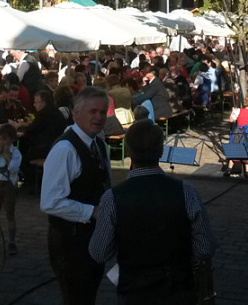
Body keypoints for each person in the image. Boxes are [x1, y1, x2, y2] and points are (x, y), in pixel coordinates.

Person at [89, 120, 216, 305]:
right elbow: (205, 248)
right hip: (178, 289)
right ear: (161, 151)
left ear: (129, 151)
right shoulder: (187, 192)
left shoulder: (112, 198)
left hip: (134, 290)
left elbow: (98, 252)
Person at [40, 86, 111, 305]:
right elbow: (50, 202)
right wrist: (93, 211)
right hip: (69, 241)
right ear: (75, 113)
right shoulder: (65, 149)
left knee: (88, 293)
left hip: (92, 237)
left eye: (102, 112)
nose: (98, 117)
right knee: (76, 296)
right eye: (92, 111)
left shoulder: (99, 143)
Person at [0, 123, 23, 254]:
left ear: (11, 139)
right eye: (0, 139)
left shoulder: (16, 153)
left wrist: (7, 155)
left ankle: (12, 241)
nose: (2, 142)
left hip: (9, 185)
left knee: (9, 214)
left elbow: (13, 168)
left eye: (5, 139)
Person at [19, 88, 67, 162]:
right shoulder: (56, 112)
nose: (34, 105)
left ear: (43, 103)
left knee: (21, 155)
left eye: (35, 102)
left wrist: (18, 127)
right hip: (55, 147)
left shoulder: (43, 114)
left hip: (44, 149)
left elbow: (31, 129)